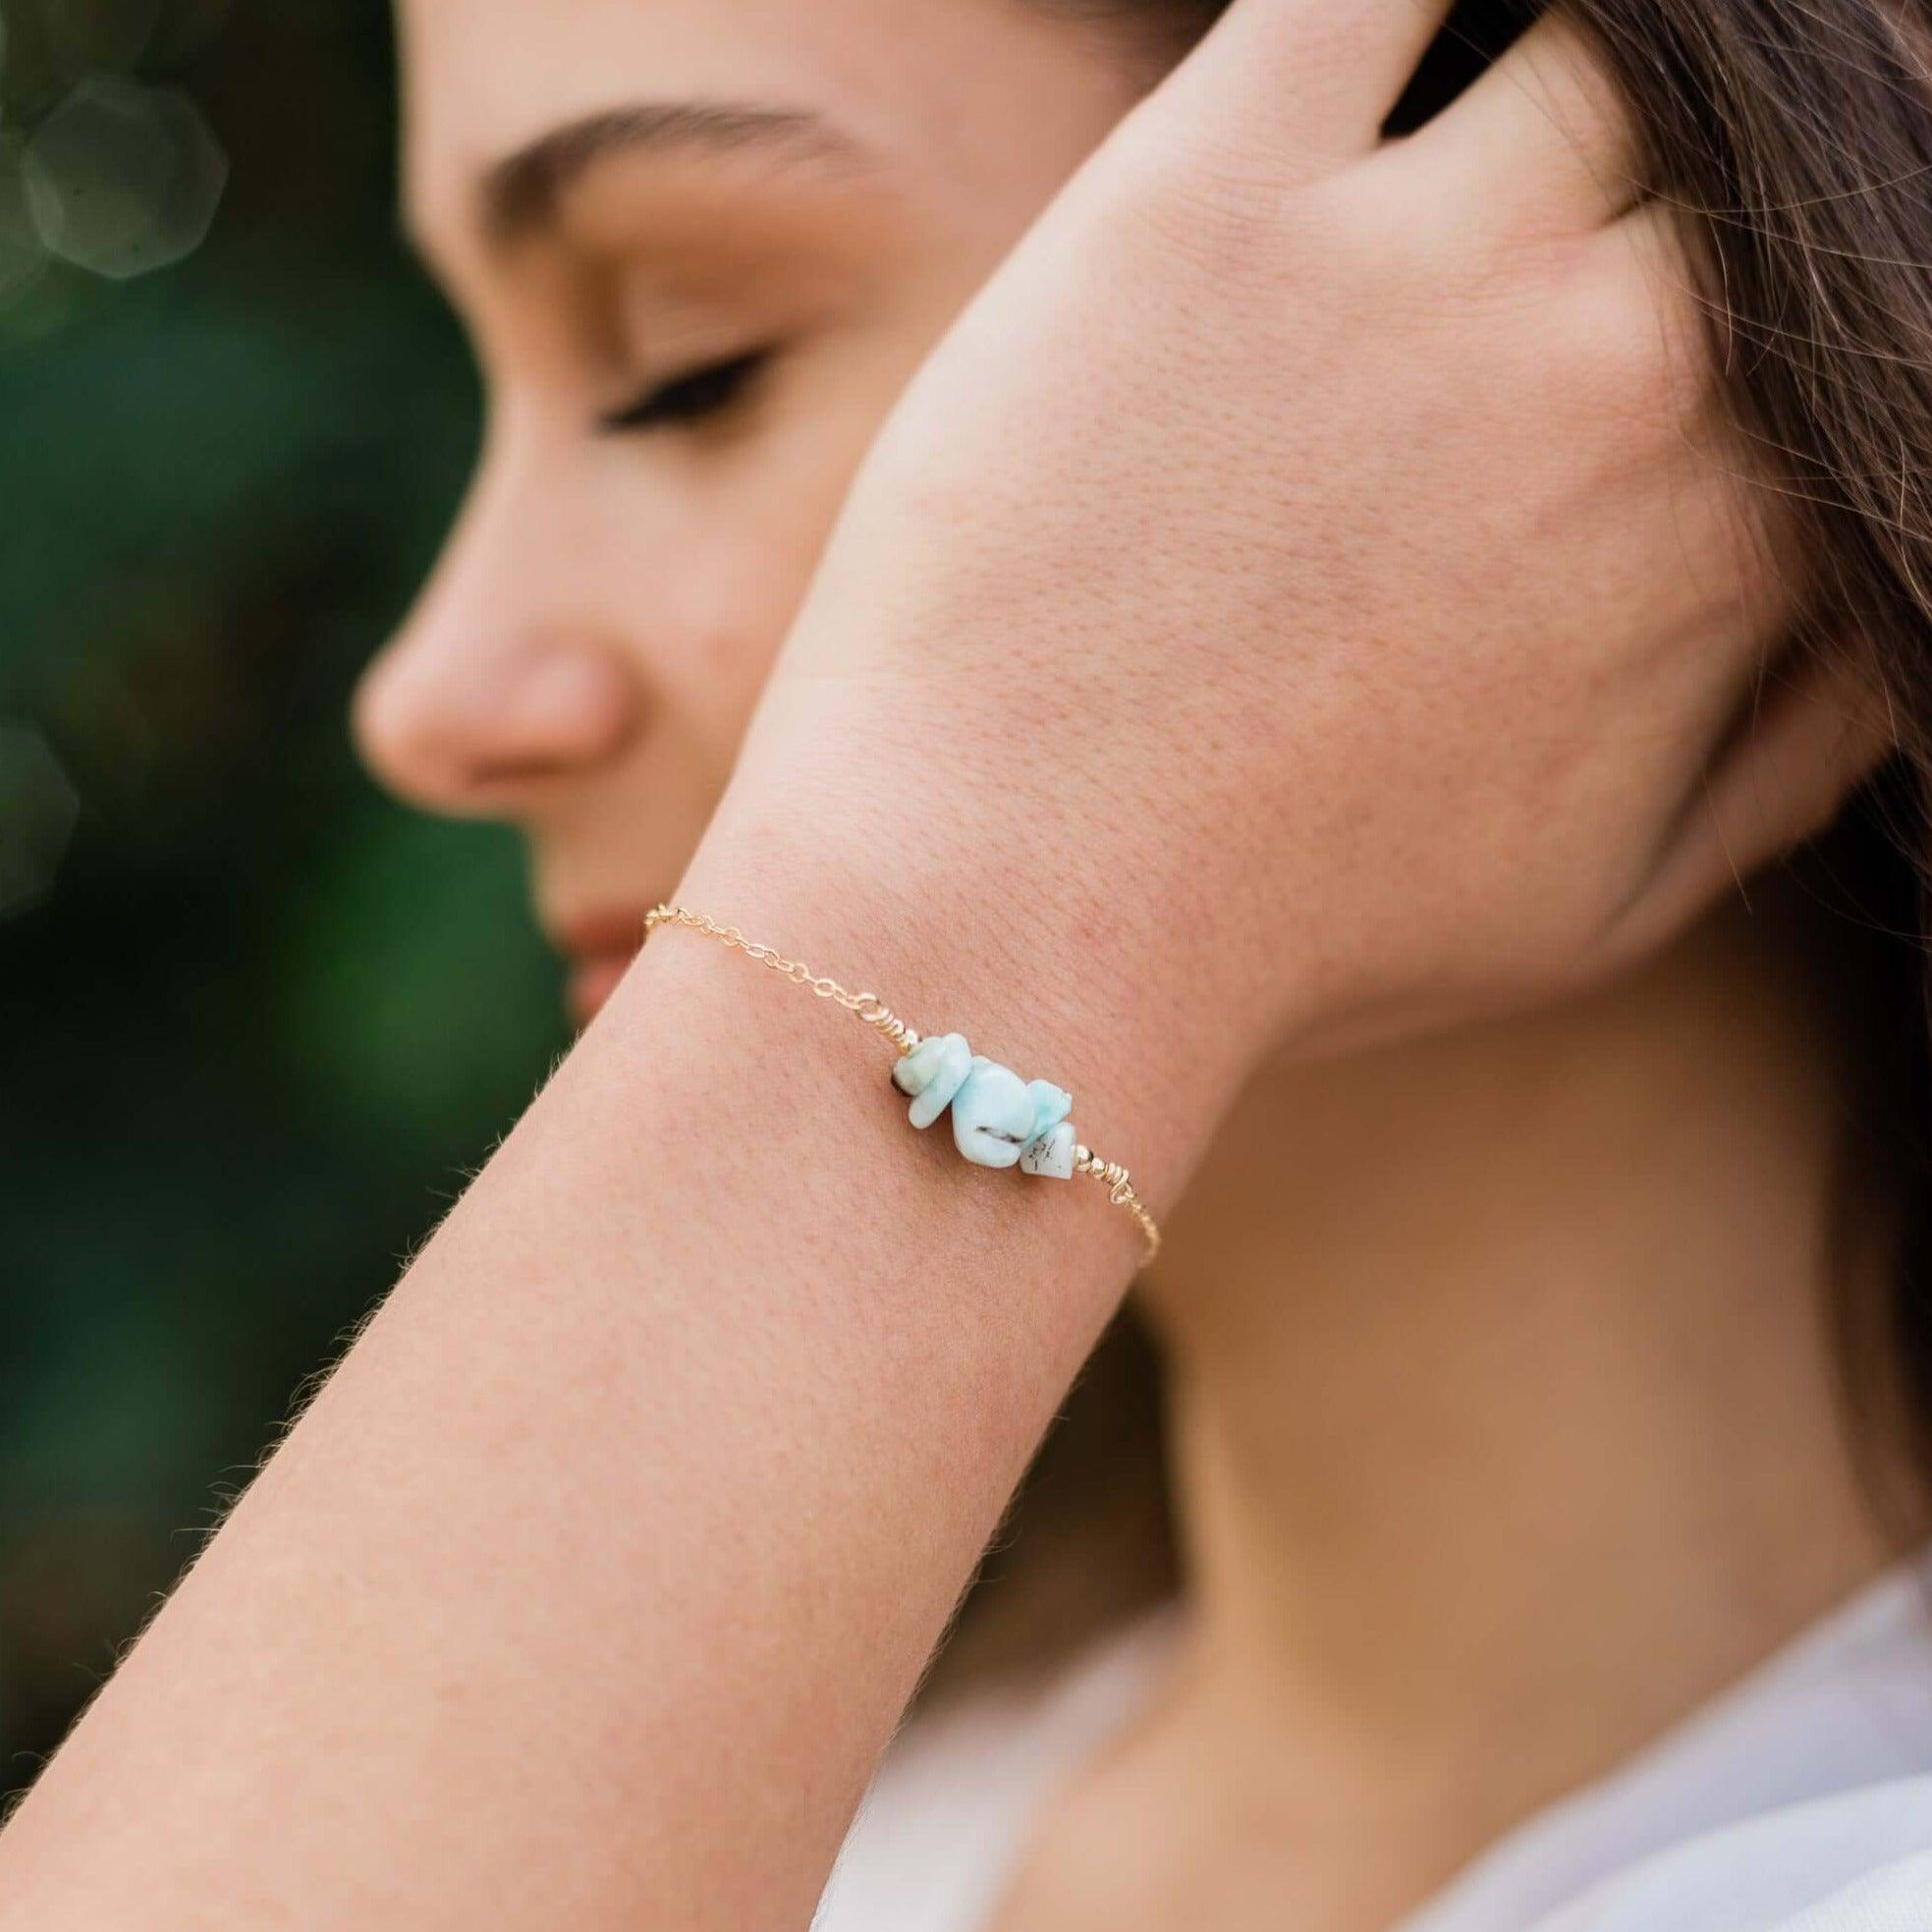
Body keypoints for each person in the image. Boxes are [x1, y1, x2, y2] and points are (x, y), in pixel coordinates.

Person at [6, 0, 1932, 1926]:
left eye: (693, 369)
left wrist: (986, 861)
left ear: (1639, 327)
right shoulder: (862, 1829)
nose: (436, 694)